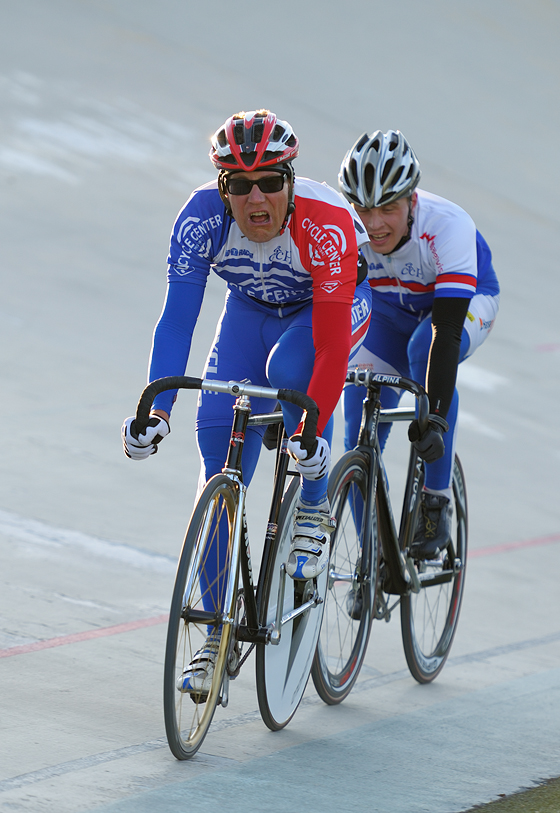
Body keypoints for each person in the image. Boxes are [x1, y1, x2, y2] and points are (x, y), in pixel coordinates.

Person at [121, 110, 372, 692]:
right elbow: (177, 320)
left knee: (289, 369)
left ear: (291, 180)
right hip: (249, 314)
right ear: (222, 188)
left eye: (269, 182)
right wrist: (157, 410)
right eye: (239, 184)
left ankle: (314, 503)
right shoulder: (200, 219)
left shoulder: (325, 223)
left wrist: (313, 433)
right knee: (217, 460)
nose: (256, 198)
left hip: (326, 313)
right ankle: (214, 634)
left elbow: (331, 348)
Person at [338, 129, 499, 564]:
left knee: (422, 349)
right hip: (389, 311)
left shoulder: (447, 226)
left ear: (412, 200)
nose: (374, 224)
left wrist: (436, 419)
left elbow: (445, 333)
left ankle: (434, 501)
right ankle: (373, 564)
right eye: (363, 210)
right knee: (357, 434)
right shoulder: (343, 227)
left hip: (462, 305)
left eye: (388, 208)